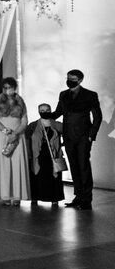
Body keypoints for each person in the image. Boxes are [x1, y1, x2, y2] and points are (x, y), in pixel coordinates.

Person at [53, 69, 102, 210]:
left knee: (83, 166)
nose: (69, 80)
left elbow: (97, 117)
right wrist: (45, 115)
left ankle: (87, 199)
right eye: (68, 78)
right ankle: (78, 196)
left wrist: (91, 134)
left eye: (72, 78)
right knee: (74, 166)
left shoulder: (90, 95)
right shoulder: (63, 94)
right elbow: (58, 113)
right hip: (68, 136)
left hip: (83, 137)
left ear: (80, 80)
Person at [0, 77, 29, 206]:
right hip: (2, 134)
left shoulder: (20, 101)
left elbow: (24, 120)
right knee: (4, 164)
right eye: (5, 88)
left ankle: (17, 195)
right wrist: (6, 131)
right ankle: (5, 194)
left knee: (18, 163)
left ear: (15, 88)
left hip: (18, 134)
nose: (8, 90)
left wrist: (16, 133)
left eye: (10, 87)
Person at [26, 103, 64, 206]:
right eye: (42, 110)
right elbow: (26, 138)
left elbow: (68, 135)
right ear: (38, 112)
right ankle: (35, 198)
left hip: (53, 156)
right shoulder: (32, 126)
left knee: (53, 177)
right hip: (37, 156)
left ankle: (54, 199)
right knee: (37, 176)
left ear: (51, 110)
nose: (45, 112)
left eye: (47, 110)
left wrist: (61, 147)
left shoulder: (57, 125)